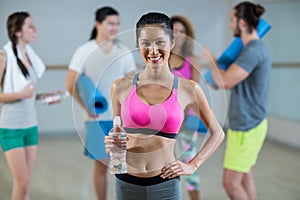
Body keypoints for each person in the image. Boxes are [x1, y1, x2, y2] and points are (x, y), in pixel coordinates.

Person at [105, 12, 224, 200]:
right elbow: (117, 133)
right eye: (146, 43)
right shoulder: (119, 86)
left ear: (172, 43)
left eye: (160, 42)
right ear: (138, 45)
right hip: (125, 181)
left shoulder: (188, 89)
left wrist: (193, 165)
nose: (153, 50)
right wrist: (111, 143)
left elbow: (218, 133)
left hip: (165, 183)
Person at [65, 6, 135, 200]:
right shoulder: (84, 51)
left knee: (122, 166)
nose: (115, 27)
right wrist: (86, 107)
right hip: (95, 118)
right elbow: (71, 83)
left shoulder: (124, 51)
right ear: (98, 24)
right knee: (102, 164)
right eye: (110, 23)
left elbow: (131, 82)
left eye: (118, 23)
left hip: (121, 119)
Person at [204, 2, 271, 200]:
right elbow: (225, 81)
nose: (231, 23)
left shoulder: (253, 51)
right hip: (247, 124)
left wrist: (210, 60)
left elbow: (224, 81)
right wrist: (216, 75)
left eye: (232, 20)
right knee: (245, 176)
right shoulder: (249, 49)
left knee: (230, 183)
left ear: (241, 23)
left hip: (247, 127)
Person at [0, 11, 60, 200]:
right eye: (30, 26)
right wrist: (21, 94)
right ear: (18, 32)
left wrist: (43, 96)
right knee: (22, 183)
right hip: (11, 128)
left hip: (31, 126)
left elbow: (28, 95)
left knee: (26, 185)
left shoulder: (30, 57)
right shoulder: (3, 57)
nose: (35, 29)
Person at [169, 15, 202, 200]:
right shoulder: (162, 58)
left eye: (182, 31)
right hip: (164, 121)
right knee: (166, 167)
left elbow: (194, 92)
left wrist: (183, 118)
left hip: (186, 121)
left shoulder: (193, 60)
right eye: (174, 31)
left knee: (189, 167)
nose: (179, 35)